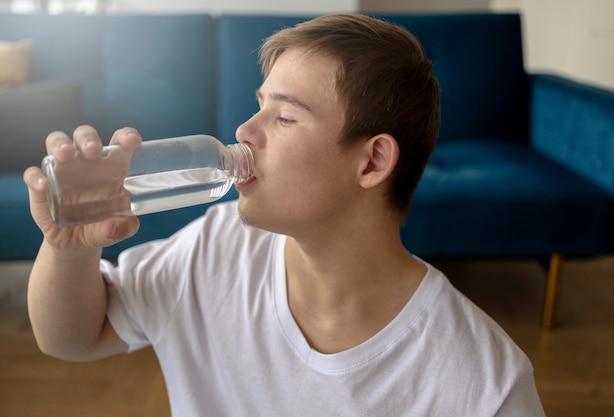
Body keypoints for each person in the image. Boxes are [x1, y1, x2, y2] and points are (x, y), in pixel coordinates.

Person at [23, 14, 546, 416]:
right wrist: (71, 247)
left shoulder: (481, 386)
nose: (245, 131)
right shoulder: (217, 246)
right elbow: (73, 337)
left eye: (285, 116)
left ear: (372, 161)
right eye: (258, 105)